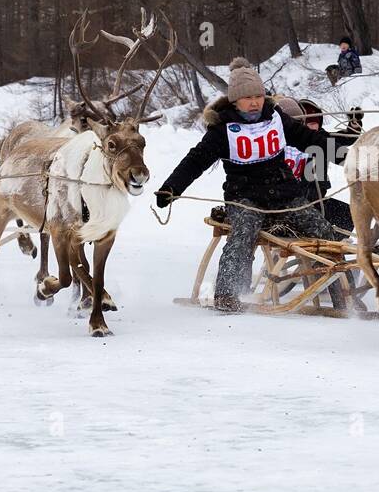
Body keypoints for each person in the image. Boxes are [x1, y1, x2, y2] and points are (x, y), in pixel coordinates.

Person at [154, 58, 355, 312]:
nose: (254, 102)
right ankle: (228, 295)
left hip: (285, 194)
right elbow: (196, 160)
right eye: (248, 97)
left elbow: (309, 139)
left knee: (323, 231)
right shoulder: (223, 128)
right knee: (243, 233)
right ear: (235, 100)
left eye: (258, 96)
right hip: (245, 196)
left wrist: (344, 156)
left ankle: (344, 297)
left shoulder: (276, 118)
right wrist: (171, 188)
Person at [298, 97, 362, 231]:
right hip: (298, 202)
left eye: (314, 122)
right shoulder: (291, 141)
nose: (311, 126)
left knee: (348, 215)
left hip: (319, 197)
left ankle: (335, 245)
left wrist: (354, 124)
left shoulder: (323, 138)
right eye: (307, 122)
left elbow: (346, 138)